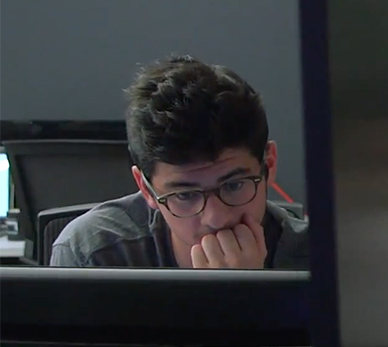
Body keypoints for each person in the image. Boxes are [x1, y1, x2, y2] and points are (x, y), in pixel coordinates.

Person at [49, 56, 308, 269]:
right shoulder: (92, 255)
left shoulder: (321, 261)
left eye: (234, 185)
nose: (216, 218)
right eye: (184, 195)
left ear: (269, 165)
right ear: (145, 188)